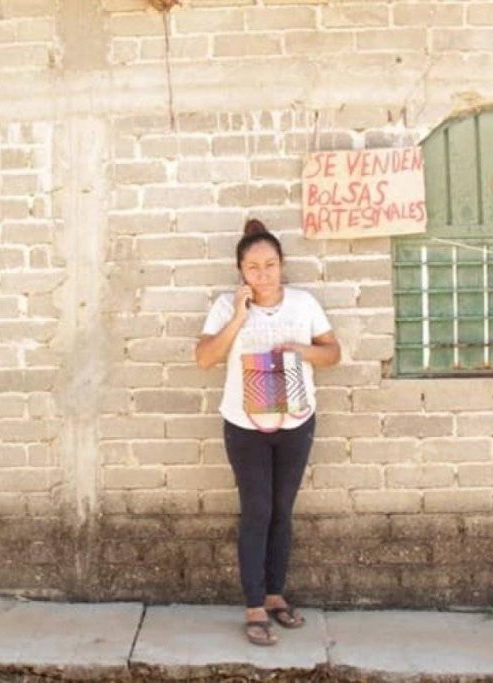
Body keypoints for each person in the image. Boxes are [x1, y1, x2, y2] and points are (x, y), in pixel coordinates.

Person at [195, 219, 340, 646]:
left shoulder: (304, 303)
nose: (263, 274)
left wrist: (303, 351)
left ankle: (276, 595)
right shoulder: (226, 306)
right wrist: (239, 316)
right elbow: (205, 358)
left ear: (282, 264)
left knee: (282, 510)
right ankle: (254, 604)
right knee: (256, 510)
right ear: (241, 270)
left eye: (270, 265)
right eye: (253, 267)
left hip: (296, 421)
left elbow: (333, 353)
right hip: (245, 425)